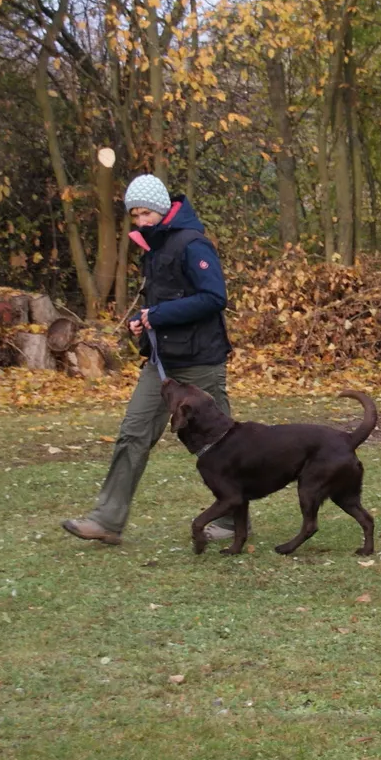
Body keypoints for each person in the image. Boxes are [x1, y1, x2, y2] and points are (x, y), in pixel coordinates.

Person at [64, 173, 233, 546]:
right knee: (133, 434)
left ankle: (234, 520)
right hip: (162, 363)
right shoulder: (153, 247)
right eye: (135, 215)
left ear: (162, 209)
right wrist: (142, 321)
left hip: (202, 360)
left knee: (221, 441)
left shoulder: (193, 243)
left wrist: (158, 315)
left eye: (146, 214)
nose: (141, 221)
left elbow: (214, 297)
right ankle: (106, 521)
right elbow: (165, 301)